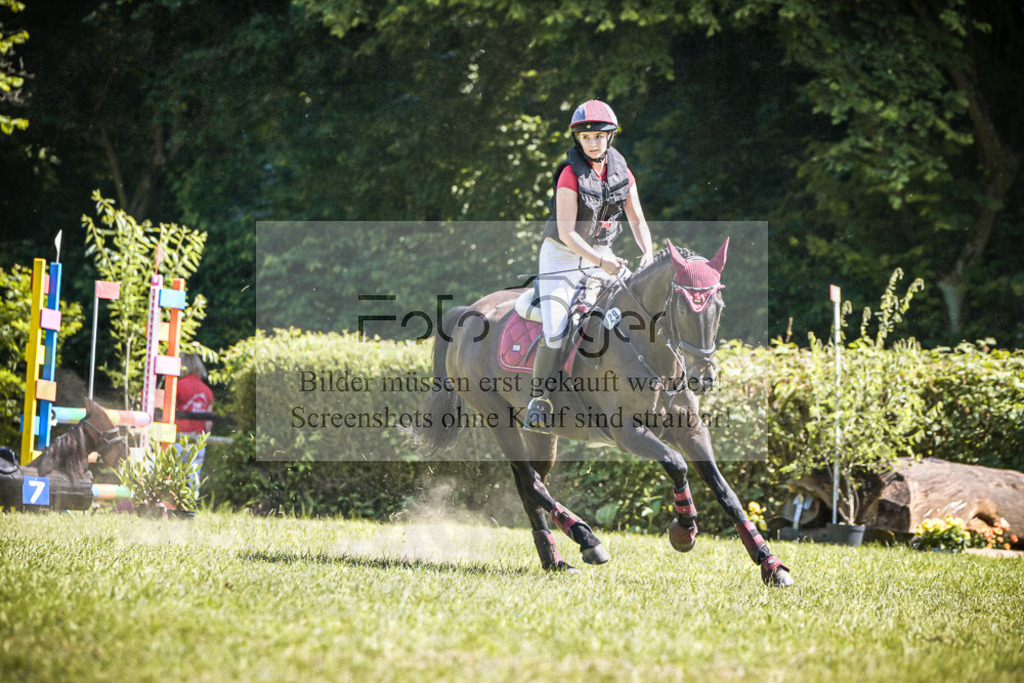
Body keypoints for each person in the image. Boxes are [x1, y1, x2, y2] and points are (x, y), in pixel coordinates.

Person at [525, 99, 655, 432]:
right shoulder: (570, 174)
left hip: (602, 254)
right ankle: (538, 399)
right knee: (555, 327)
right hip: (562, 256)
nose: (593, 142)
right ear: (578, 140)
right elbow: (567, 233)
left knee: (639, 306)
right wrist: (601, 260)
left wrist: (648, 254)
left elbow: (637, 219)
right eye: (586, 137)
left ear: (609, 137)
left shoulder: (621, 171)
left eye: (599, 136)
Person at [174, 353, 213, 493]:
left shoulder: (177, 386)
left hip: (177, 439)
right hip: (197, 441)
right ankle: (189, 508)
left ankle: (170, 506)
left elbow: (167, 412)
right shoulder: (207, 391)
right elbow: (208, 424)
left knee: (174, 475)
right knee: (193, 476)